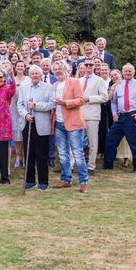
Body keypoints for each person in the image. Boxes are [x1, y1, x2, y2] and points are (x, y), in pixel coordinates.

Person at [103, 64, 136, 173]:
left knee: (135, 144)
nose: (127, 73)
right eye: (125, 71)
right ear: (122, 72)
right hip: (120, 118)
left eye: (130, 71)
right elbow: (114, 102)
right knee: (110, 139)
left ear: (134, 72)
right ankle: (107, 164)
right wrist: (114, 113)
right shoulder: (118, 85)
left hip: (132, 117)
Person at [51, 60, 88, 193]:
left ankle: (83, 181)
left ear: (66, 69)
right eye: (55, 69)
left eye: (60, 69)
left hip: (73, 123)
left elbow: (81, 100)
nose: (58, 71)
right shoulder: (55, 85)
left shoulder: (74, 82)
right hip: (59, 123)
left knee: (78, 153)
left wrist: (65, 102)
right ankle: (66, 179)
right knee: (63, 154)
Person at [17, 65, 54, 191]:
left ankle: (43, 182)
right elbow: (20, 104)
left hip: (41, 125)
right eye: (32, 74)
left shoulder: (48, 88)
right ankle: (30, 181)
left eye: (36, 73)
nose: (34, 76)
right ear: (29, 75)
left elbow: (51, 104)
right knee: (29, 153)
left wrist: (36, 106)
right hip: (27, 124)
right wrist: (25, 114)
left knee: (41, 154)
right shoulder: (23, 87)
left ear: (40, 74)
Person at [80, 58, 109, 173]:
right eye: (86, 64)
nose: (88, 66)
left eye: (90, 65)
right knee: (78, 142)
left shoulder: (99, 80)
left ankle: (91, 166)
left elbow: (104, 97)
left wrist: (89, 99)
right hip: (79, 115)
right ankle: (76, 165)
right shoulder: (80, 80)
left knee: (92, 142)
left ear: (94, 67)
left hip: (92, 115)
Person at [11, 60, 30, 168]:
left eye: (22, 66)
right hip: (14, 108)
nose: (20, 67)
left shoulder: (28, 79)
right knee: (16, 133)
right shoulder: (12, 80)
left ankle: (24, 154)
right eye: (18, 66)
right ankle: (18, 156)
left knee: (24, 132)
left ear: (24, 67)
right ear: (15, 67)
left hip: (24, 108)